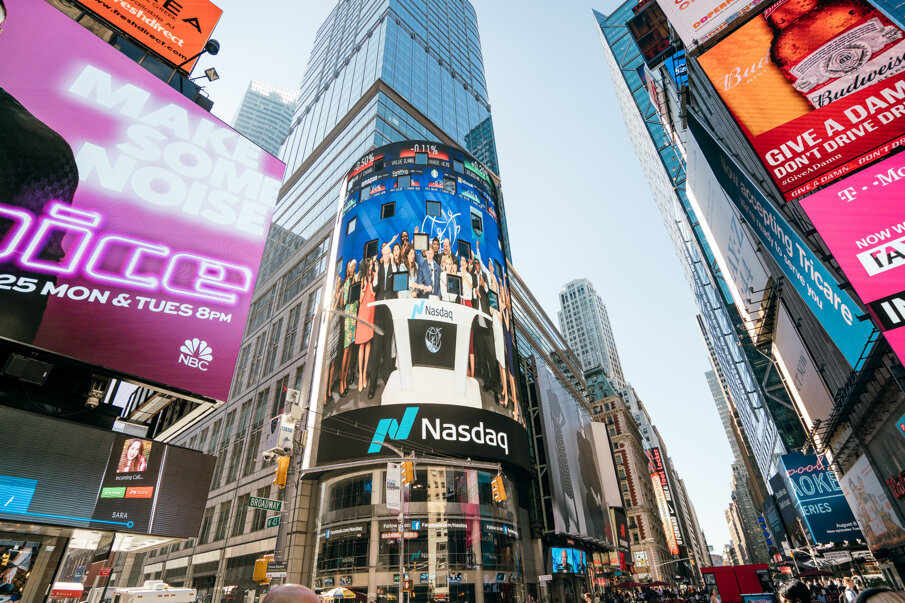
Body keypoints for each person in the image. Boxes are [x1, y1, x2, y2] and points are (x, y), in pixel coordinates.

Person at [354, 258, 376, 392]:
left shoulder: (374, 276)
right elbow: (360, 300)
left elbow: (374, 293)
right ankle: (360, 375)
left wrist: (371, 285)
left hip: (371, 312)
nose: (371, 267)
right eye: (370, 265)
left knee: (368, 343)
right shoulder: (361, 279)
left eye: (372, 265)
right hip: (362, 312)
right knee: (361, 345)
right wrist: (364, 285)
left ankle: (364, 374)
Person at [323, 276, 343, 405]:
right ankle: (324, 395)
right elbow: (329, 317)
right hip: (330, 332)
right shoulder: (330, 299)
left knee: (333, 363)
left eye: (340, 282)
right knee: (327, 365)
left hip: (337, 329)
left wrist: (340, 296)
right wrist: (335, 301)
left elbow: (341, 307)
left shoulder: (338, 294)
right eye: (337, 282)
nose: (338, 284)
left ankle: (329, 390)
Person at [340, 259, 359, 397]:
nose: (353, 269)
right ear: (348, 268)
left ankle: (346, 379)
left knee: (351, 349)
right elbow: (344, 303)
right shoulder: (346, 283)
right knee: (346, 350)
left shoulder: (356, 280)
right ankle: (342, 382)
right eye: (352, 267)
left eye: (354, 267)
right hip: (348, 315)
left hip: (355, 316)